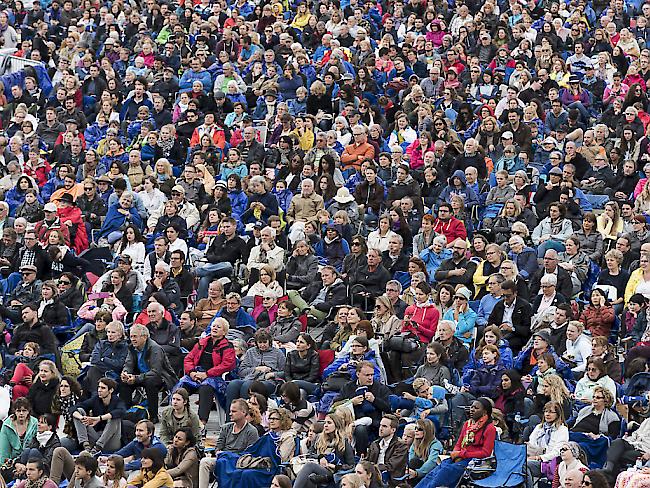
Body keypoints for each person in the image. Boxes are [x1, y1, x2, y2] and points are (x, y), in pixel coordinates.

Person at [415, 398, 496, 488]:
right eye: (471, 407)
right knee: (436, 471)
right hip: (459, 457)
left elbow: (486, 453)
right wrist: (455, 453)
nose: (472, 410)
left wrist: (461, 454)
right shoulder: (467, 424)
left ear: (484, 412)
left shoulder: (490, 428)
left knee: (444, 472)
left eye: (476, 408)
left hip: (473, 461)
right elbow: (459, 443)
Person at [176, 317, 236, 432]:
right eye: (213, 326)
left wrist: (207, 374)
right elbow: (189, 358)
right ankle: (180, 418)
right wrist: (192, 372)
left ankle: (201, 423)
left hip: (215, 376)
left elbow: (227, 365)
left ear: (224, 332)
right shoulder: (202, 342)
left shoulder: (228, 346)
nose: (215, 328)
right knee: (182, 386)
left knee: (206, 388)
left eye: (218, 327)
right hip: (197, 373)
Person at [120, 324, 179, 423]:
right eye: (131, 336)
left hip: (162, 377)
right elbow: (128, 364)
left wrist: (136, 378)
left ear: (144, 337)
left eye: (135, 336)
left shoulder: (154, 348)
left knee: (150, 382)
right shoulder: (132, 347)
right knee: (124, 383)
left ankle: (153, 415)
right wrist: (125, 373)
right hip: (141, 375)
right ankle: (126, 412)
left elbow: (156, 371)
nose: (132, 339)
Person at [197, 399, 259, 488]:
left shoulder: (252, 431)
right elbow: (218, 447)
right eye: (230, 411)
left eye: (233, 411)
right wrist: (220, 453)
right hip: (223, 458)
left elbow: (251, 454)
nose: (230, 414)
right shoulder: (226, 428)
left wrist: (229, 455)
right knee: (205, 462)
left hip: (240, 462)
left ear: (243, 412)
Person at [336, 360, 392, 456]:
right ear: (358, 374)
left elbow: (389, 407)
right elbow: (335, 405)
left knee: (360, 429)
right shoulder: (348, 387)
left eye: (372, 375)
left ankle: (361, 456)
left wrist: (374, 400)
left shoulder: (380, 388)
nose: (370, 378)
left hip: (374, 424)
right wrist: (351, 402)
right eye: (367, 375)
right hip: (350, 421)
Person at [70, 377, 124, 455]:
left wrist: (99, 418)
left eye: (103, 388)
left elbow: (121, 411)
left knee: (114, 417)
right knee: (79, 411)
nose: (99, 390)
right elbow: (74, 408)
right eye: (98, 387)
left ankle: (97, 448)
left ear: (111, 390)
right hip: (96, 437)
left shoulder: (117, 401)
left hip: (112, 441)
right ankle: (86, 446)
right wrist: (82, 418)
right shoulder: (96, 399)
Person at [365, 414, 409, 485]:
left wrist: (371, 468)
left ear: (393, 430)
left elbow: (391, 466)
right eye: (380, 425)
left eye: (384, 426)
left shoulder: (401, 446)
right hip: (372, 476)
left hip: (390, 480)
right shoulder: (375, 444)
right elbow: (367, 461)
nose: (380, 428)